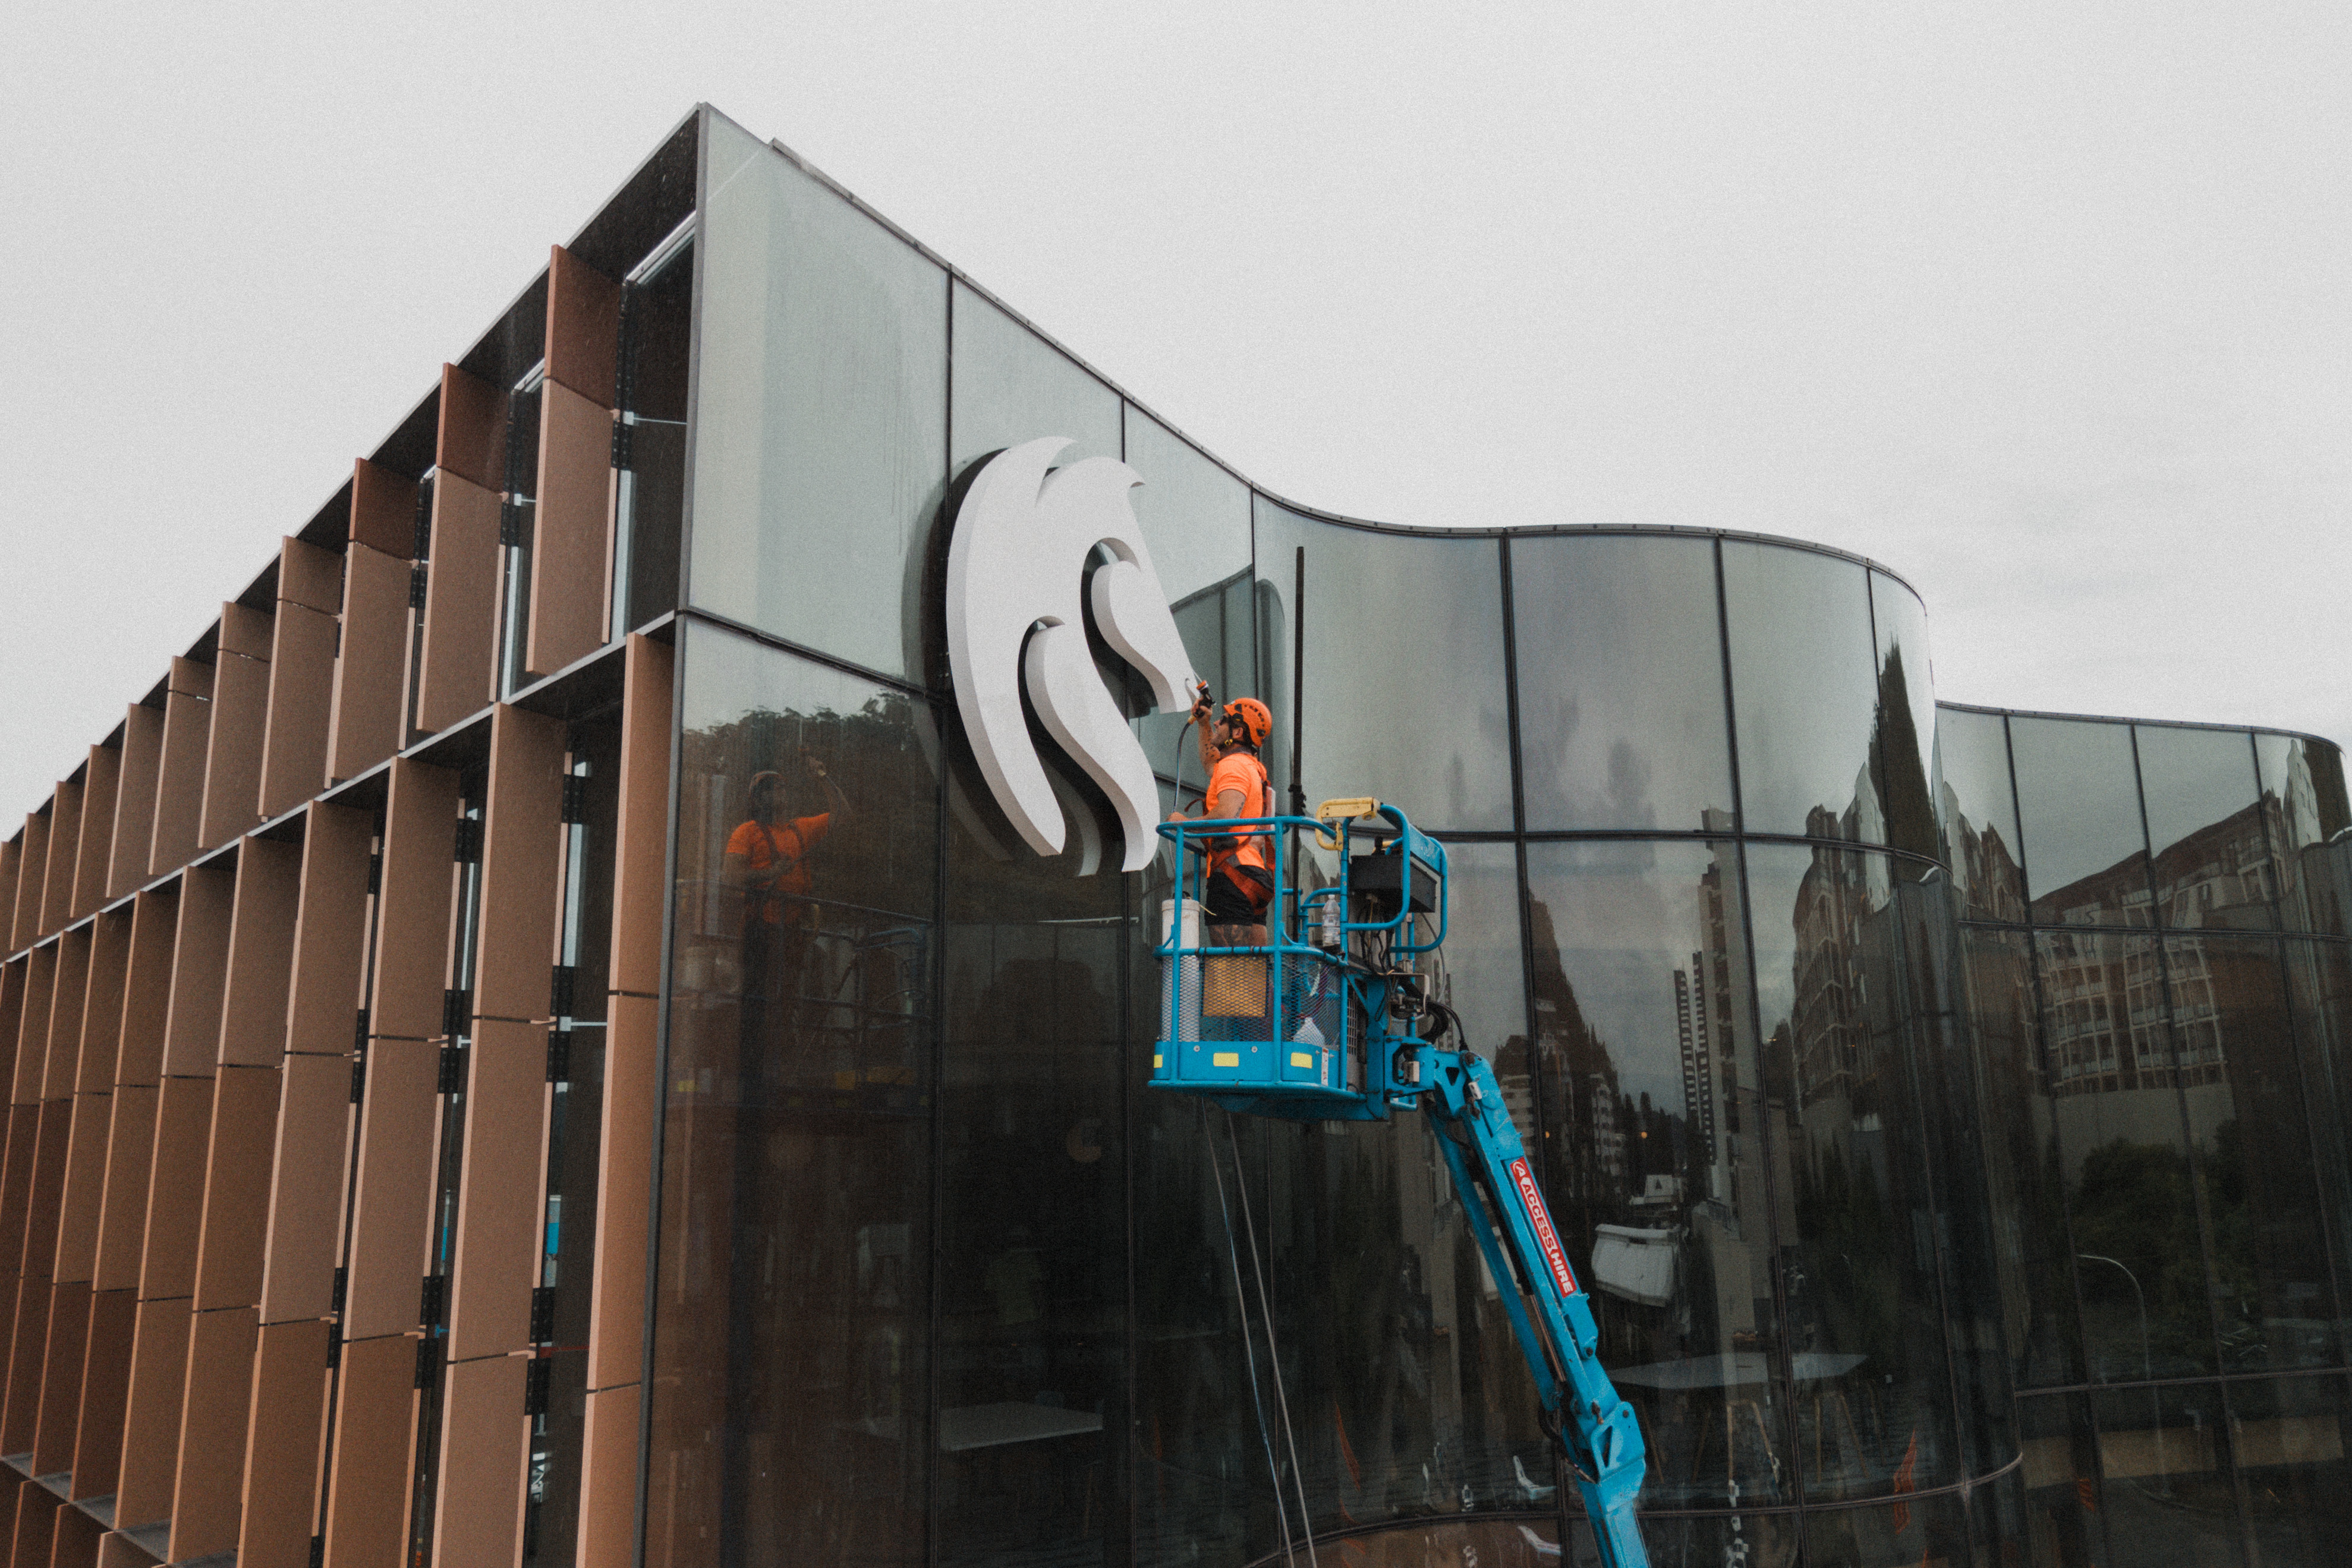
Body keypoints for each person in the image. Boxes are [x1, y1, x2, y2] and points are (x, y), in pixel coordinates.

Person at [725, 751, 850, 1049]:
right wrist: (772, 871)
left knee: (791, 991)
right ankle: (757, 1047)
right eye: (769, 788)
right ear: (757, 800)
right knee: (759, 993)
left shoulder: (800, 829)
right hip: (760, 928)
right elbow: (730, 877)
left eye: (781, 787)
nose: (778, 791)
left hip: (793, 928)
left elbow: (843, 816)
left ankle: (786, 1041)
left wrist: (823, 777)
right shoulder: (746, 832)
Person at [1166, 692, 1276, 922]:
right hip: (1250, 872)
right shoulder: (1249, 766)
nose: (1217, 722)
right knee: (1252, 957)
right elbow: (1210, 763)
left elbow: (1225, 816)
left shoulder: (1233, 766)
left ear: (1237, 733)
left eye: (1223, 720)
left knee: (1226, 959)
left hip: (1232, 873)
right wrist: (1203, 723)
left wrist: (1183, 824)